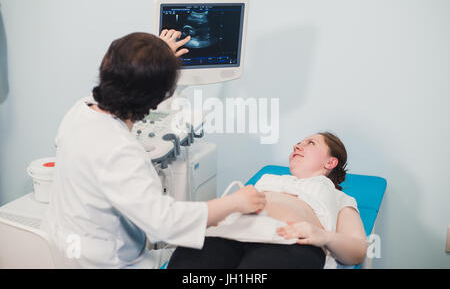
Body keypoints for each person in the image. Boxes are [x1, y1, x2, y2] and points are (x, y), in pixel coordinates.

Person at [41, 30, 266, 268]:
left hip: (62, 247)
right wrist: (235, 202)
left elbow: (126, 77)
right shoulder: (119, 150)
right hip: (104, 262)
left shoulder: (79, 111)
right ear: (158, 99)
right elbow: (165, 223)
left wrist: (156, 56)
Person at [167, 132, 368, 269]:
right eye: (299, 142)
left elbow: (357, 250)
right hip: (226, 233)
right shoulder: (269, 179)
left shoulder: (339, 197)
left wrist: (323, 236)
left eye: (310, 143)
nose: (297, 145)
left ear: (330, 162)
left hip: (288, 241)